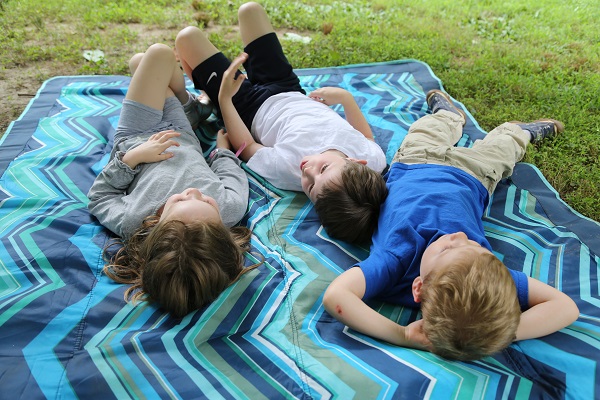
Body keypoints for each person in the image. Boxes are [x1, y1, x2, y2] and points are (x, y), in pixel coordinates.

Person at [322, 89, 580, 361]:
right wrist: (496, 331)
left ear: (418, 287)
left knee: (426, 130)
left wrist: (401, 334)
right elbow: (565, 307)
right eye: (475, 245)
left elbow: (336, 296)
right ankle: (517, 131)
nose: (458, 236)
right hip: (474, 175)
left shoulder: (395, 262)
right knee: (504, 147)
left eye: (446, 250)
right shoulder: (484, 279)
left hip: (414, 163)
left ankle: (446, 116)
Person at [174, 2, 388, 244]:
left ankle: (206, 95)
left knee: (187, 37)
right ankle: (209, 92)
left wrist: (224, 100)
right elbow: (367, 138)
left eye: (309, 187)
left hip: (246, 106)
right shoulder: (374, 161)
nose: (308, 171)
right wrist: (345, 99)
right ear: (355, 161)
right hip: (287, 86)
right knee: (250, 10)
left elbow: (246, 146)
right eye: (323, 170)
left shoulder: (288, 171)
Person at [87, 43, 256, 318]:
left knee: (151, 57)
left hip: (137, 136)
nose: (193, 192)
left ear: (156, 227)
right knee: (151, 65)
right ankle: (189, 108)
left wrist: (132, 159)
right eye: (207, 201)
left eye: (178, 200)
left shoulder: (133, 221)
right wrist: (222, 149)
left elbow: (100, 197)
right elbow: (230, 174)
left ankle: (192, 106)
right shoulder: (231, 210)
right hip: (182, 132)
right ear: (224, 235)